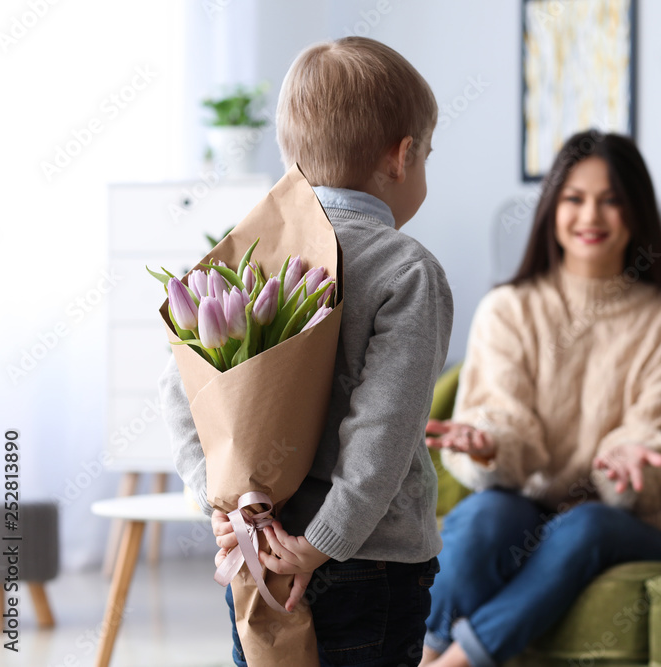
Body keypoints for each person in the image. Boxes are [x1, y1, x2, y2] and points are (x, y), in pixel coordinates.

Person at [158, 37, 452, 667]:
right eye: (427, 154)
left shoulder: (247, 256)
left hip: (255, 548)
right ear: (401, 158)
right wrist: (325, 540)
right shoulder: (407, 270)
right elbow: (386, 426)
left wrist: (216, 504)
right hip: (367, 560)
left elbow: (183, 391)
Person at [422, 131, 661, 667]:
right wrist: (489, 442)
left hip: (623, 524)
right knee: (487, 517)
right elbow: (504, 416)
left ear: (637, 211)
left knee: (585, 523)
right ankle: (420, 651)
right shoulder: (508, 308)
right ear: (553, 208)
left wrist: (628, 458)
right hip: (521, 504)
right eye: (575, 198)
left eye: (611, 199)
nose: (591, 216)